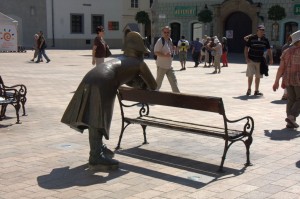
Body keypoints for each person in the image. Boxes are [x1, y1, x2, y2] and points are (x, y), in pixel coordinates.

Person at [61, 31, 157, 170]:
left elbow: (124, 76)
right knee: (99, 117)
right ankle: (95, 156)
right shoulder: (139, 63)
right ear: (140, 48)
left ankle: (98, 148)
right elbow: (153, 85)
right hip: (104, 82)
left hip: (92, 77)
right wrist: (141, 83)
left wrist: (136, 81)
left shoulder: (122, 58)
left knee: (95, 115)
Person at [272, 30, 300, 128]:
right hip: (298, 79)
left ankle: (290, 122)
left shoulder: (286, 51)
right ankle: (292, 117)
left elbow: (281, 68)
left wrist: (276, 82)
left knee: (291, 100)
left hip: (287, 78)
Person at [244, 25, 273, 96]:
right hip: (251, 59)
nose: (262, 31)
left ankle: (256, 90)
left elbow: (269, 50)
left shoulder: (265, 40)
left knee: (258, 76)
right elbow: (246, 48)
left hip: (260, 60)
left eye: (263, 30)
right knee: (250, 75)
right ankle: (249, 89)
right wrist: (246, 58)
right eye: (260, 30)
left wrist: (271, 59)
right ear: (257, 30)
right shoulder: (251, 38)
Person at [154, 26, 180, 93]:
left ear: (170, 32)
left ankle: (178, 96)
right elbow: (156, 52)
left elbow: (169, 51)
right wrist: (164, 55)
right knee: (158, 83)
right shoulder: (160, 41)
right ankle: (152, 96)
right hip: (162, 66)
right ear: (162, 32)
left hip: (169, 66)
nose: (166, 33)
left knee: (174, 81)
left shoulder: (170, 40)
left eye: (168, 32)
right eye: (165, 32)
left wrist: (173, 48)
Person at [280, 35, 292, 100]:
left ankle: (285, 94)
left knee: (286, 81)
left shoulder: (284, 46)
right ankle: (286, 95)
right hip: (291, 66)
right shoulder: (293, 47)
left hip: (285, 66)